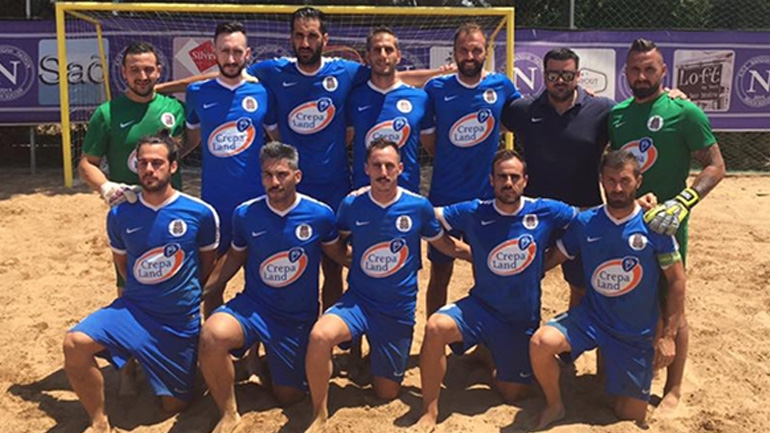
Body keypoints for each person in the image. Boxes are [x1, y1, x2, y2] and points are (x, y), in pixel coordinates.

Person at [303, 138, 471, 433]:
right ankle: (319, 413)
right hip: (358, 301)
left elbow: (445, 245)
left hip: (396, 309)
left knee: (387, 393)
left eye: (389, 166)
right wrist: (350, 263)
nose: (383, 172)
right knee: (319, 336)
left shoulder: (417, 206)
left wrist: (480, 257)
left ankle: (375, 356)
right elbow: (336, 244)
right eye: (377, 165)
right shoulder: (352, 204)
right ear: (366, 168)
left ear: (400, 169)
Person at [63, 132, 219, 433]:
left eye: (157, 163)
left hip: (177, 321)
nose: (149, 170)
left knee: (174, 406)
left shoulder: (199, 213)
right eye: (143, 163)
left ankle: (172, 366)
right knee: (75, 344)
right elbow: (124, 265)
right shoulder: (120, 213)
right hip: (134, 311)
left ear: (173, 167)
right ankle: (99, 421)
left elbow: (206, 265)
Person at [412, 149, 577, 433]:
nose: (508, 183)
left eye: (515, 177)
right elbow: (428, 214)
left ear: (525, 181)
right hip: (481, 309)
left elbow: (589, 219)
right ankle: (429, 410)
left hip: (519, 319)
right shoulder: (476, 211)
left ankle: (490, 354)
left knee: (512, 393)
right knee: (436, 326)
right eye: (502, 177)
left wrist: (551, 259)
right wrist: (462, 251)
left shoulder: (545, 210)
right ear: (491, 180)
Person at [198, 142, 348, 433]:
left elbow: (339, 256)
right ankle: (229, 413)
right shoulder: (245, 214)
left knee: (290, 397)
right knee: (212, 335)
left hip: (295, 318)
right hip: (254, 307)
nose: (274, 182)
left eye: (281, 174)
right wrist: (202, 291)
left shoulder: (320, 215)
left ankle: (263, 363)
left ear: (297, 176)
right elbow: (234, 258)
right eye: (267, 175)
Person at [529, 150, 687, 429]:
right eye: (611, 180)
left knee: (628, 414)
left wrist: (669, 336)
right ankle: (555, 406)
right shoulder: (586, 222)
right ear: (601, 180)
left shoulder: (655, 226)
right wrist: (520, 271)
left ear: (639, 181)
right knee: (541, 343)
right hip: (592, 319)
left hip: (634, 332)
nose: (617, 188)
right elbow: (554, 258)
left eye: (624, 181)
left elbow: (676, 280)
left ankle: (625, 380)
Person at [609, 38, 725, 413]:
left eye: (650, 69)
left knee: (672, 302)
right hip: (628, 222)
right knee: (633, 297)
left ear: (663, 72)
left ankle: (673, 388)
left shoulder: (683, 111)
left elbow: (715, 165)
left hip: (668, 225)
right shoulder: (618, 115)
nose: (642, 76)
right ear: (625, 73)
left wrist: (683, 202)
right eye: (635, 69)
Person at [501, 48, 615, 307]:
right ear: (544, 75)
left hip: (583, 212)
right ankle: (517, 339)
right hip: (534, 214)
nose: (560, 81)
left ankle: (569, 343)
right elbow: (482, 117)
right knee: (520, 279)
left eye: (566, 74)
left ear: (578, 75)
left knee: (581, 286)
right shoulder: (523, 109)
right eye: (553, 75)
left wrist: (669, 95)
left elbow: (638, 117)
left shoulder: (603, 109)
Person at [423, 22, 522, 317]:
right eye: (463, 50)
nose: (470, 55)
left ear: (485, 52)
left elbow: (522, 117)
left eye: (476, 50)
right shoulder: (436, 88)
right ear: (454, 53)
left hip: (486, 197)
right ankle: (434, 338)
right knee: (440, 273)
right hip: (445, 195)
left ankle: (485, 341)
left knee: (488, 271)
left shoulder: (502, 86)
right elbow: (431, 142)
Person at [183, 21, 276, 314]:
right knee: (212, 282)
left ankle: (252, 354)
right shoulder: (197, 92)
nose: (232, 58)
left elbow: (280, 141)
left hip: (257, 204)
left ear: (248, 54)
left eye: (238, 52)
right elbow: (190, 141)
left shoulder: (263, 92)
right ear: (214, 52)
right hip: (215, 205)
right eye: (225, 51)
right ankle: (213, 347)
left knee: (259, 280)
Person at [346, 26, 433, 194]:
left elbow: (431, 147)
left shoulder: (420, 98)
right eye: (377, 50)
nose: (383, 55)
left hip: (407, 193)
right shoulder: (353, 97)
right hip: (363, 193)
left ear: (398, 56)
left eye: (388, 49)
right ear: (368, 57)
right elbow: (345, 139)